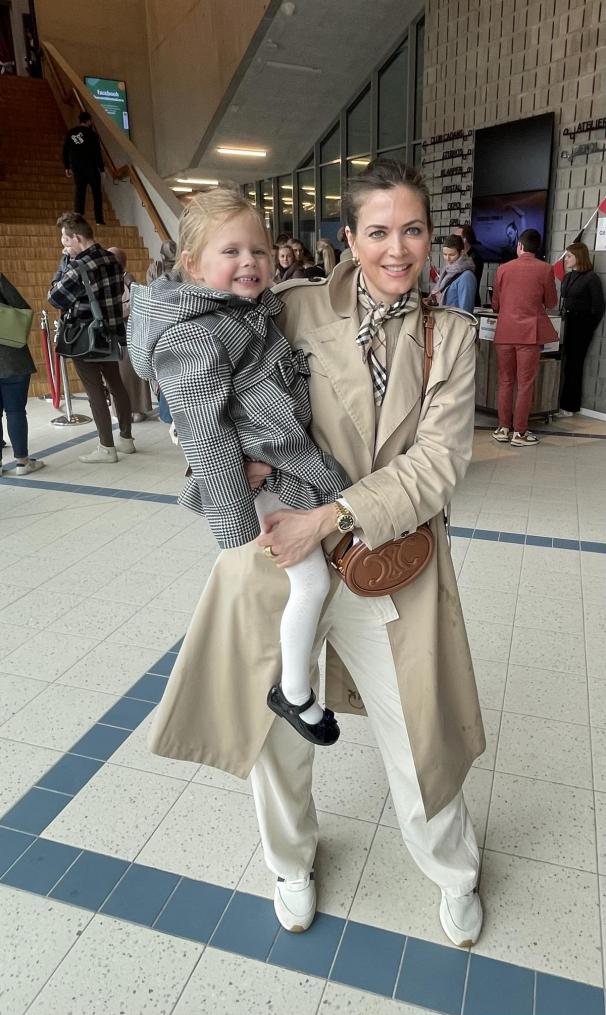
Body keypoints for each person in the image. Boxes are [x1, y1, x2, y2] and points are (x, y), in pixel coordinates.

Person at [141, 160, 486, 948]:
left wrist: (330, 515)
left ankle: (453, 870)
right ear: (349, 239)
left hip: (386, 557)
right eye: (378, 231)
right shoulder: (290, 307)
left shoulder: (452, 336)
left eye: (412, 230)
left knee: (417, 729)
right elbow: (193, 381)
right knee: (279, 735)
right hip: (276, 555)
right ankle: (289, 862)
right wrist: (226, 460)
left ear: (429, 237)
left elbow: (439, 463)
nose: (397, 248)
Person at [128, 188, 351, 743]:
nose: (249, 261)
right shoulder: (195, 333)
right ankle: (293, 692)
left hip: (278, 457)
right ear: (193, 265)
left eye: (259, 249)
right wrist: (235, 523)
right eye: (230, 252)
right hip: (261, 473)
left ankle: (295, 681)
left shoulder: (245, 310)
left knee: (314, 573)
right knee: (309, 582)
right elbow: (205, 432)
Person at [48, 212, 135, 464]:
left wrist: (64, 263)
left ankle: (106, 447)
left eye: (65, 240)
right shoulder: (111, 259)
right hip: (111, 333)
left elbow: (54, 298)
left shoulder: (77, 267)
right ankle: (126, 439)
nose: (64, 245)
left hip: (85, 337)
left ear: (76, 237)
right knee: (116, 384)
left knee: (95, 391)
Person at [491, 228, 558, 447]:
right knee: (525, 384)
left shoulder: (503, 268)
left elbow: (495, 304)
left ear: (519, 246)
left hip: (504, 332)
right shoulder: (546, 269)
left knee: (505, 380)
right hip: (529, 335)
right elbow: (551, 303)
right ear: (536, 248)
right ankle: (519, 433)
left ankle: (503, 428)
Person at [0, 274, 45, 477]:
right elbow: (22, 309)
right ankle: (22, 462)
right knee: (15, 411)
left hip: (11, 360)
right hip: (12, 358)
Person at [557, 242, 605, 416]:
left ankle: (570, 406)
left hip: (580, 327)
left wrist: (587, 328)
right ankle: (558, 403)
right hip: (566, 323)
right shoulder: (568, 277)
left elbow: (598, 308)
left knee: (574, 366)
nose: (566, 259)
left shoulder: (591, 278)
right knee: (563, 364)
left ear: (579, 257)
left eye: (569, 256)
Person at [107, 247, 153, 422]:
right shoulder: (118, 279)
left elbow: (133, 304)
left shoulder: (127, 279)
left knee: (127, 372)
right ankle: (128, 409)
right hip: (123, 332)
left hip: (127, 331)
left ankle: (132, 409)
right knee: (123, 372)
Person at [62, 112, 105, 225]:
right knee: (97, 193)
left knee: (80, 192)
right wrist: (102, 169)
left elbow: (65, 151)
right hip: (91, 168)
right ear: (89, 121)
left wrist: (67, 167)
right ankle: (99, 220)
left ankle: (78, 218)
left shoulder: (71, 133)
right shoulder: (93, 134)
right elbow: (97, 153)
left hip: (77, 168)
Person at [430, 234, 476, 314]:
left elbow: (466, 312)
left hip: (455, 320)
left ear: (461, 252)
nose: (447, 258)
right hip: (444, 318)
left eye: (452, 255)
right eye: (445, 254)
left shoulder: (467, 277)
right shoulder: (446, 270)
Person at [453, 224, 484, 306]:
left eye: (456, 238)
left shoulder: (475, 258)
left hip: (470, 302)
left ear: (465, 239)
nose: (453, 240)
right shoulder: (459, 255)